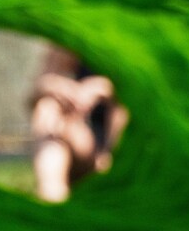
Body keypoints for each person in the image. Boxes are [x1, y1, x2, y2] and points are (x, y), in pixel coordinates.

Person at [29, 47, 127, 203]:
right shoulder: (71, 44)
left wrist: (105, 88)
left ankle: (113, 177)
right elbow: (35, 92)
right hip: (84, 143)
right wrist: (56, 86)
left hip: (121, 147)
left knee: (122, 107)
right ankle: (51, 194)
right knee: (48, 106)